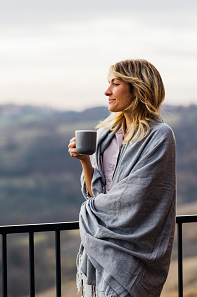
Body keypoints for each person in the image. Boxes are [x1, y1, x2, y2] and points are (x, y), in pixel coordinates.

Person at [68, 59, 176, 297]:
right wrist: (85, 161)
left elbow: (135, 199)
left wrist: (89, 212)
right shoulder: (106, 137)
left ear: (138, 89)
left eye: (115, 84)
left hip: (133, 254)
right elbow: (99, 194)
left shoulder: (159, 136)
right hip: (100, 252)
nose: (107, 92)